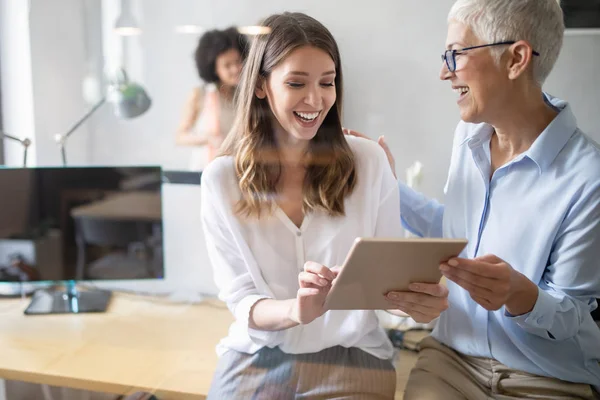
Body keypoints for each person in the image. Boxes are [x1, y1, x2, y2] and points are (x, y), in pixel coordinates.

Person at [346, 0, 600, 398]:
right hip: (452, 361)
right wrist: (384, 185)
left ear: (516, 59)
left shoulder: (589, 178)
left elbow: (574, 316)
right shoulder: (468, 138)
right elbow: (456, 234)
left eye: (456, 54)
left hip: (547, 377)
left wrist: (520, 295)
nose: (444, 72)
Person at [200, 12, 449, 399]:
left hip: (352, 356)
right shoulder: (221, 180)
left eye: (327, 83)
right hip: (259, 355)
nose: (315, 100)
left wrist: (416, 304)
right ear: (262, 86)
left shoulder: (369, 162)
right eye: (296, 83)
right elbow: (242, 300)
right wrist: (296, 311)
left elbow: (389, 286)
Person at [176, 27, 247, 170]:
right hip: (207, 168)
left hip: (237, 168)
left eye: (238, 62)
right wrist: (208, 139)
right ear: (214, 69)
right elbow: (180, 136)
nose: (235, 69)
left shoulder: (245, 96)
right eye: (227, 65)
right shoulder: (200, 94)